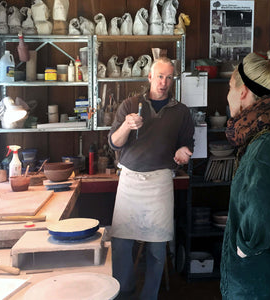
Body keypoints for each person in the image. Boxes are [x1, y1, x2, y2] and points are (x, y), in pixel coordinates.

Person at [108, 56, 194, 300]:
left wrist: (183, 153)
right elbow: (113, 142)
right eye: (160, 76)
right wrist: (126, 125)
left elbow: (188, 144)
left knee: (157, 249)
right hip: (130, 181)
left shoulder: (181, 112)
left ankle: (149, 296)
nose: (164, 82)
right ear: (149, 78)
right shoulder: (130, 104)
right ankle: (124, 293)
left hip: (159, 182)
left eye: (169, 77)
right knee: (121, 245)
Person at [220, 50, 270, 299]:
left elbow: (259, 214)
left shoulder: (265, 147)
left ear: (242, 93)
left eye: (230, 87)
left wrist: (243, 250)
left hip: (259, 285)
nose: (228, 95)